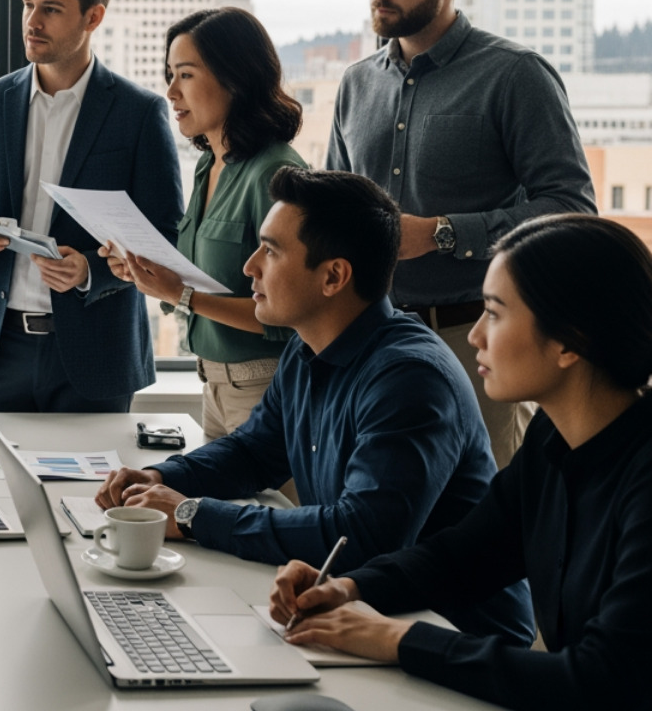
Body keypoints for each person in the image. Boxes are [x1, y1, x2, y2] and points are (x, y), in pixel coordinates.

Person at [96, 167, 533, 644]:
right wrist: (162, 478)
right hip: (362, 614)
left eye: (271, 250)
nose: (249, 267)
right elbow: (254, 451)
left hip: (451, 637)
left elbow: (361, 537)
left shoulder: (411, 377)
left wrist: (192, 514)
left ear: (333, 277)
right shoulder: (308, 349)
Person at [272, 214, 652, 711]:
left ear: (569, 342)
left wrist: (394, 640)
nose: (474, 336)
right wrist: (350, 587)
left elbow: (601, 679)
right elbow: (465, 554)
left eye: (493, 313)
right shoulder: (552, 437)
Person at [329, 0, 596, 468]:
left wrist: (442, 234)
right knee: (375, 518)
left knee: (483, 529)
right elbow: (335, 210)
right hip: (369, 339)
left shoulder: (515, 75)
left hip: (476, 341)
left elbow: (572, 210)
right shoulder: (355, 85)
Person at [0, 0, 184, 413]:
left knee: (87, 489)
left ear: (93, 17)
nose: (33, 21)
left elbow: (165, 234)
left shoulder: (139, 113)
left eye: (51, 9)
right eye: (29, 6)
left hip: (96, 355)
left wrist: (91, 269)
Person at [104, 7, 306, 444]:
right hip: (213, 387)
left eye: (186, 75)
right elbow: (197, 283)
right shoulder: (207, 165)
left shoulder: (275, 173)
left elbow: (290, 316)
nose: (171, 91)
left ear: (235, 78)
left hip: (264, 390)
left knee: (269, 511)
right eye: (170, 74)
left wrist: (181, 294)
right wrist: (147, 276)